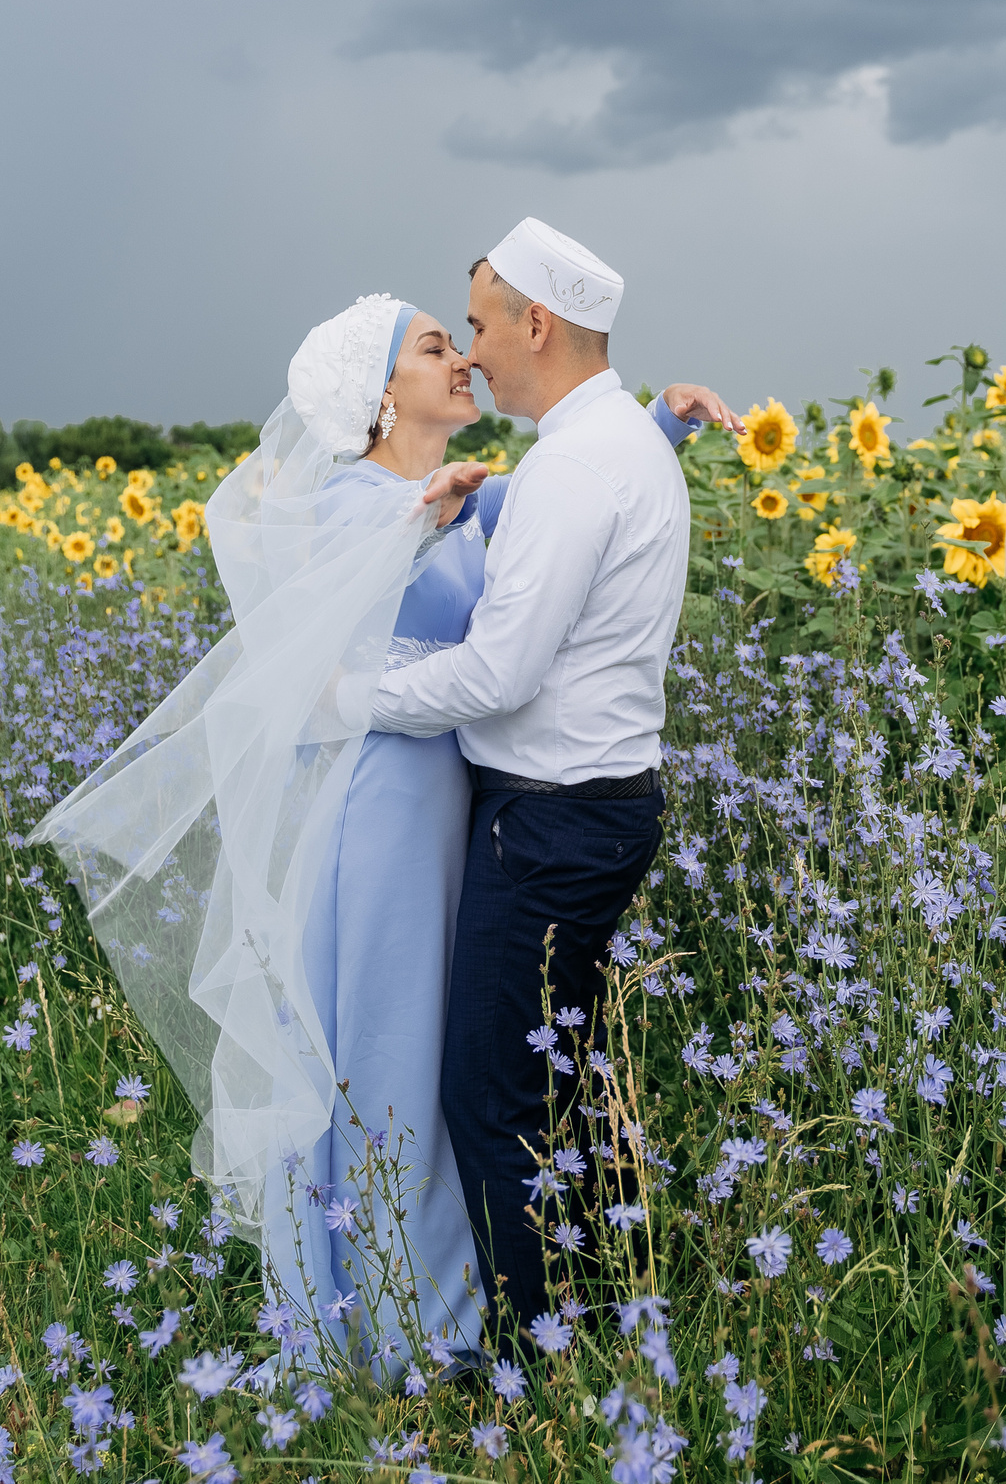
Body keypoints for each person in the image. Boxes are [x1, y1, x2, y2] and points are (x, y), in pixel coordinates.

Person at [30, 282, 733, 1378]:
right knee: (389, 1046)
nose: (461, 361)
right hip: (381, 806)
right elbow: (334, 614)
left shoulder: (462, 492)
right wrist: (423, 519)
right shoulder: (353, 503)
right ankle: (412, 1323)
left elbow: (571, 511)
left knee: (441, 1043)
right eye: (435, 348)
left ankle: (434, 1288)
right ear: (376, 396)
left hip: (447, 801)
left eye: (460, 342)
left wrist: (656, 426)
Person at [373, 218, 732, 1342]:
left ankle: (539, 1362)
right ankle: (615, 1304)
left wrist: (348, 699)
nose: (471, 350)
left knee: (494, 1100)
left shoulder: (585, 462)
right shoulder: (607, 446)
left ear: (536, 322)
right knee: (563, 1077)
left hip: (546, 826)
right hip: (594, 813)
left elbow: (500, 673)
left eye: (477, 324)